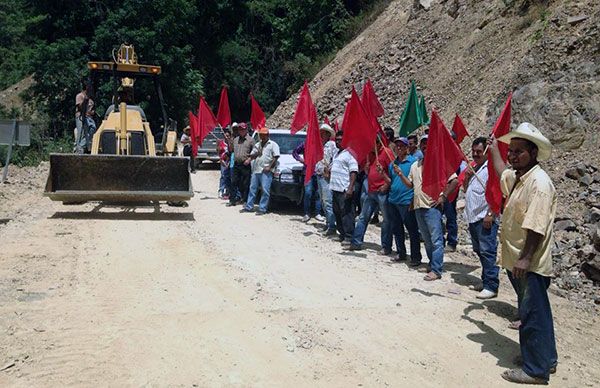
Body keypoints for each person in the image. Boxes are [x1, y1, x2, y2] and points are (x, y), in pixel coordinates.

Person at [489, 123, 557, 385]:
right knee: (538, 312)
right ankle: (545, 359)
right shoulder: (520, 178)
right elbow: (501, 173)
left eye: (519, 151)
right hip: (517, 260)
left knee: (531, 314)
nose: (513, 155)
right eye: (511, 150)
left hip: (528, 263)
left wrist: (525, 258)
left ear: (533, 152)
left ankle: (535, 370)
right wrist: (495, 149)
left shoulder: (538, 184)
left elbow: (536, 226)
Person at [395, 135, 458, 280]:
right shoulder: (415, 165)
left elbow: (454, 180)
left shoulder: (439, 163)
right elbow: (410, 185)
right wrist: (400, 175)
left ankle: (436, 269)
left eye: (427, 143)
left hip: (432, 206)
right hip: (418, 206)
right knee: (427, 239)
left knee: (436, 240)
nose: (425, 146)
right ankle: (432, 264)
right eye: (423, 144)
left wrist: (443, 196)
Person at [463, 137, 499, 299]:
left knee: (487, 251)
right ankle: (485, 281)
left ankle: (491, 285)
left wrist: (491, 214)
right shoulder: (476, 168)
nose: (476, 154)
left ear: (486, 151)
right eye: (474, 152)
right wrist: (468, 177)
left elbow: (498, 192)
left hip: (485, 218)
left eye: (479, 151)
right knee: (479, 251)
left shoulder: (491, 169)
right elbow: (466, 190)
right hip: (473, 217)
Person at [347, 135, 394, 253]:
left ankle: (386, 246)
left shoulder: (387, 152)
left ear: (378, 144)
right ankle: (356, 242)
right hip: (371, 190)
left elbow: (393, 171)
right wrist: (367, 168)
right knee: (363, 217)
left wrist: (387, 184)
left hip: (382, 191)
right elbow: (366, 171)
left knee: (386, 220)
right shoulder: (370, 154)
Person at [387, 137, 421, 265]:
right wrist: (383, 175)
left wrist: (401, 174)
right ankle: (401, 253)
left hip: (406, 201)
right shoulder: (393, 163)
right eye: (397, 146)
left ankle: (415, 257)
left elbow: (414, 183)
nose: (399, 148)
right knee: (397, 229)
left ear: (407, 148)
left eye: (402, 146)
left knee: (412, 230)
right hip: (393, 200)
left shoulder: (414, 163)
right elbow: (391, 181)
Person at [241, 126, 280, 215]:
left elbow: (276, 157)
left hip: (266, 171)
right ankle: (249, 206)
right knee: (252, 188)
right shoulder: (258, 145)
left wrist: (269, 167)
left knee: (265, 190)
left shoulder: (273, 144)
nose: (262, 136)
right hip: (256, 169)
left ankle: (262, 208)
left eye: (264, 135)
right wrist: (252, 157)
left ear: (268, 135)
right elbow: (252, 155)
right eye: (261, 135)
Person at [329, 131, 358, 243]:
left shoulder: (350, 154)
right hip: (335, 189)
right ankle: (342, 233)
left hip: (344, 189)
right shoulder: (337, 154)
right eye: (336, 139)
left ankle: (349, 236)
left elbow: (353, 171)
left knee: (347, 213)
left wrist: (350, 187)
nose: (338, 141)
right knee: (337, 212)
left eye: (340, 140)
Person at [315, 123, 338, 235]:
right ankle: (328, 223)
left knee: (328, 201)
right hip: (319, 174)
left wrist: (329, 169)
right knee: (323, 201)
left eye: (323, 132)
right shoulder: (320, 145)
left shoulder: (332, 145)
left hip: (327, 176)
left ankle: (332, 226)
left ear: (328, 134)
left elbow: (335, 159)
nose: (321, 134)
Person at [292, 141, 323, 223]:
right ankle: (307, 213)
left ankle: (317, 213)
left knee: (318, 193)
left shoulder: (321, 144)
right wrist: (301, 160)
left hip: (319, 172)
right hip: (308, 171)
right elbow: (295, 152)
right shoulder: (306, 143)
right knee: (308, 193)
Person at [228, 122, 255, 206]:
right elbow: (231, 150)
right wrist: (229, 142)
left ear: (246, 130)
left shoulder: (251, 140)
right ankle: (232, 200)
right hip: (236, 164)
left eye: (243, 129)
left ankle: (245, 200)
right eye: (240, 129)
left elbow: (255, 152)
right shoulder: (235, 140)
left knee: (245, 183)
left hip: (245, 164)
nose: (241, 131)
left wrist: (249, 159)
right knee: (233, 182)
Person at [75, 80, 96, 154]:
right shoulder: (80, 96)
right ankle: (78, 148)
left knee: (92, 129)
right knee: (81, 133)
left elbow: (91, 109)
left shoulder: (90, 98)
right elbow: (80, 107)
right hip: (81, 117)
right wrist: (85, 100)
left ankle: (82, 145)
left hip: (89, 117)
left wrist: (92, 112)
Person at [218, 128, 231, 199]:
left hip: (230, 161)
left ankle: (227, 191)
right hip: (223, 161)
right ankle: (221, 190)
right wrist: (222, 161)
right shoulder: (221, 143)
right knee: (223, 176)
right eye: (226, 136)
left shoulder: (231, 143)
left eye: (228, 136)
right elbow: (219, 153)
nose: (227, 137)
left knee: (229, 177)